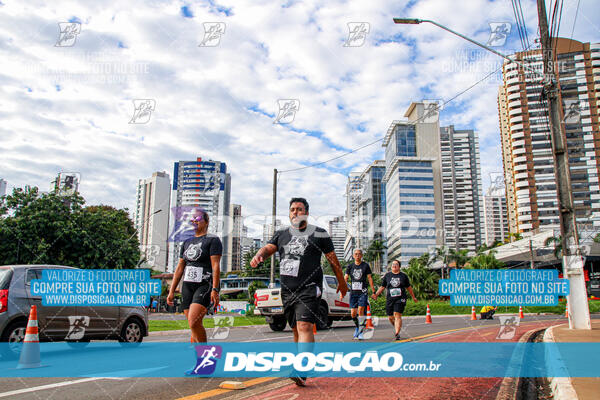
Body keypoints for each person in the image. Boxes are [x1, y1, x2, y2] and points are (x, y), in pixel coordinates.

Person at [251, 197, 349, 386]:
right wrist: (259, 255)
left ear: (306, 212)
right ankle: (302, 367)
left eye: (299, 209)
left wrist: (342, 282)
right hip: (288, 290)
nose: (295, 212)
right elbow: (268, 248)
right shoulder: (281, 234)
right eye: (293, 209)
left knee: (304, 326)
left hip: (309, 288)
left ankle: (301, 367)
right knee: (296, 329)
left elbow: (332, 260)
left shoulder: (319, 234)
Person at [167, 208, 222, 344]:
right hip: (188, 285)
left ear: (206, 222)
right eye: (192, 220)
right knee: (193, 327)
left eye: (197, 219)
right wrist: (172, 290)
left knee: (193, 322)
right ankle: (197, 358)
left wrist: (215, 289)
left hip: (204, 285)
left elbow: (215, 266)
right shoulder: (187, 242)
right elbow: (180, 267)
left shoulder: (213, 240)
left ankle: (204, 357)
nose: (193, 222)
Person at [372, 259, 417, 341]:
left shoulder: (403, 276)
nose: (394, 265)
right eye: (393, 264)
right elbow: (382, 287)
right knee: (390, 317)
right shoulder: (387, 276)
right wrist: (376, 294)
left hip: (400, 298)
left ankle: (397, 332)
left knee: (397, 314)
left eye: (396, 264)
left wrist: (413, 297)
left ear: (399, 266)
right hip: (390, 299)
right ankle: (397, 327)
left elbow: (409, 288)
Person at [343, 249, 374, 340]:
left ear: (361, 255)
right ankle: (357, 327)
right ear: (353, 256)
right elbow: (346, 278)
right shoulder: (350, 266)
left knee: (360, 310)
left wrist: (373, 291)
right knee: (353, 314)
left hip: (363, 292)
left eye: (359, 254)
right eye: (356, 254)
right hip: (353, 293)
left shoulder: (365, 266)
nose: (357, 255)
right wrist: (343, 290)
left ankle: (360, 332)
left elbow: (370, 278)